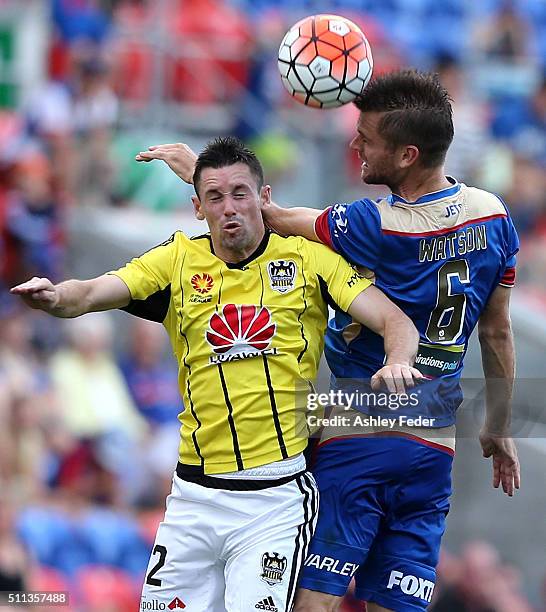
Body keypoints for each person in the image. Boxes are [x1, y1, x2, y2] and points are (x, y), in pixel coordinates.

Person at [137, 71, 521, 612]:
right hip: (433, 445)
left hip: (355, 430)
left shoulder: (375, 223)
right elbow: (497, 330)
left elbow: (263, 217)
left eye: (367, 139)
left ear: (408, 155)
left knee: (312, 601)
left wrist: (196, 173)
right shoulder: (496, 216)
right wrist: (500, 425)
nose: (355, 145)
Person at [12, 137, 422, 612]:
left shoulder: (308, 261)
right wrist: (55, 296)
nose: (229, 208)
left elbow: (396, 321)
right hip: (192, 499)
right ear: (197, 206)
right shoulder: (177, 259)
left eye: (240, 194)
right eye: (215, 197)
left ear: (264, 198)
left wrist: (397, 360)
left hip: (274, 501)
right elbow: (90, 293)